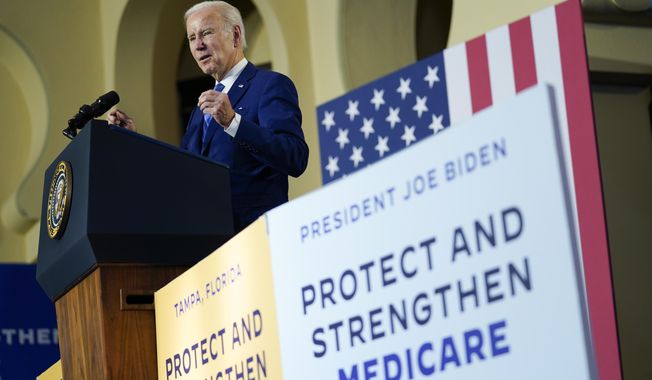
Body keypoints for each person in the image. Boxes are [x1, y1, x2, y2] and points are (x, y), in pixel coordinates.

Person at [109, 1, 309, 232]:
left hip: (257, 237)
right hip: (209, 246)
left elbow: (295, 156)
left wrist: (233, 122)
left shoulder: (269, 85)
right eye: (192, 38)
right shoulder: (199, 112)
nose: (198, 45)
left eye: (206, 33)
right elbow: (182, 174)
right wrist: (135, 142)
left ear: (235, 35)